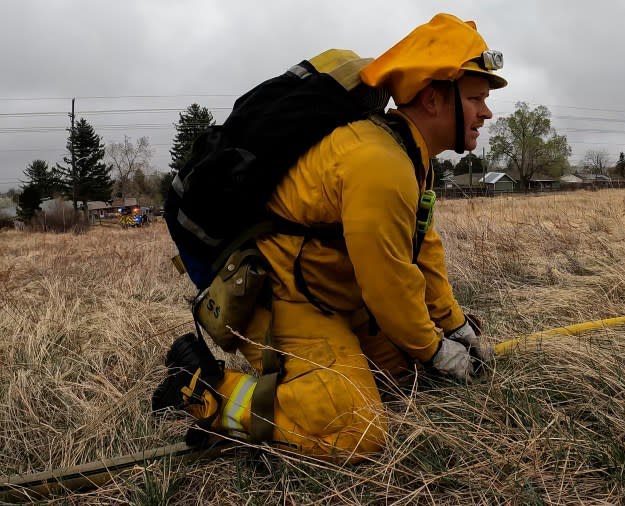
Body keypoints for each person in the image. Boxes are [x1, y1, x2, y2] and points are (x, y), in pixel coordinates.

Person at [154, 13, 506, 461]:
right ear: (434, 99)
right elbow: (388, 284)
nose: (487, 111)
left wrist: (455, 326)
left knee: (406, 374)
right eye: (476, 97)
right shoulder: (380, 164)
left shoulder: (409, 156)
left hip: (326, 296)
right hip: (279, 297)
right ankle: (204, 388)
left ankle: (323, 373)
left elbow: (423, 248)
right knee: (355, 429)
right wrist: (437, 348)